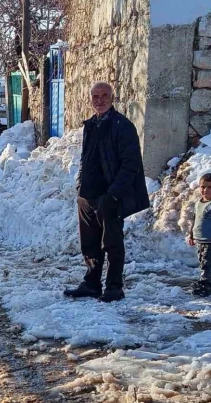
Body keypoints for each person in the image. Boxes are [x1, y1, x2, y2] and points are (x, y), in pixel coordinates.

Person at [63, 82, 150, 303]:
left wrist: (113, 194)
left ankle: (114, 287)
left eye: (104, 96)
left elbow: (131, 165)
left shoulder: (122, 125)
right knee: (89, 243)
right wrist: (80, 186)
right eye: (95, 96)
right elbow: (86, 158)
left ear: (112, 98)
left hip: (109, 196)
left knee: (111, 243)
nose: (99, 100)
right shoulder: (90, 125)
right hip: (87, 195)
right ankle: (92, 283)